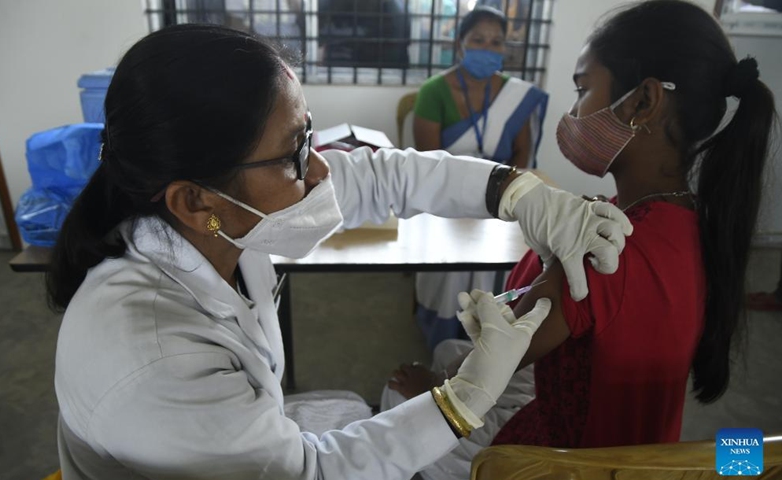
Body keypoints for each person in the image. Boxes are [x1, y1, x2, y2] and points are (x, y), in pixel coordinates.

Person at [48, 24, 634, 480]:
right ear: (196, 199)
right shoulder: (153, 359)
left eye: (310, 136)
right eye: (294, 153)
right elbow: (313, 471)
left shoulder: (214, 226)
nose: (321, 168)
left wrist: (517, 190)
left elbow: (384, 176)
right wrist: (463, 398)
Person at [385, 1, 776, 478]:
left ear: (641, 103)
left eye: (582, 89)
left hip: (564, 463)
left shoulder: (599, 252)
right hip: (651, 452)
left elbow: (493, 364)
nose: (572, 113)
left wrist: (431, 383)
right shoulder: (696, 222)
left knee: (404, 391)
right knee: (450, 352)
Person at [414, 6, 550, 350]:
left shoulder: (516, 96)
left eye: (496, 42)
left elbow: (523, 155)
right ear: (460, 44)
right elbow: (430, 161)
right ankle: (444, 333)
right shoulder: (433, 91)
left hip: (501, 194)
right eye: (478, 40)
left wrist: (502, 197)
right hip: (447, 193)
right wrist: (465, 197)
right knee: (451, 267)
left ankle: (494, 331)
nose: (487, 49)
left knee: (512, 255)